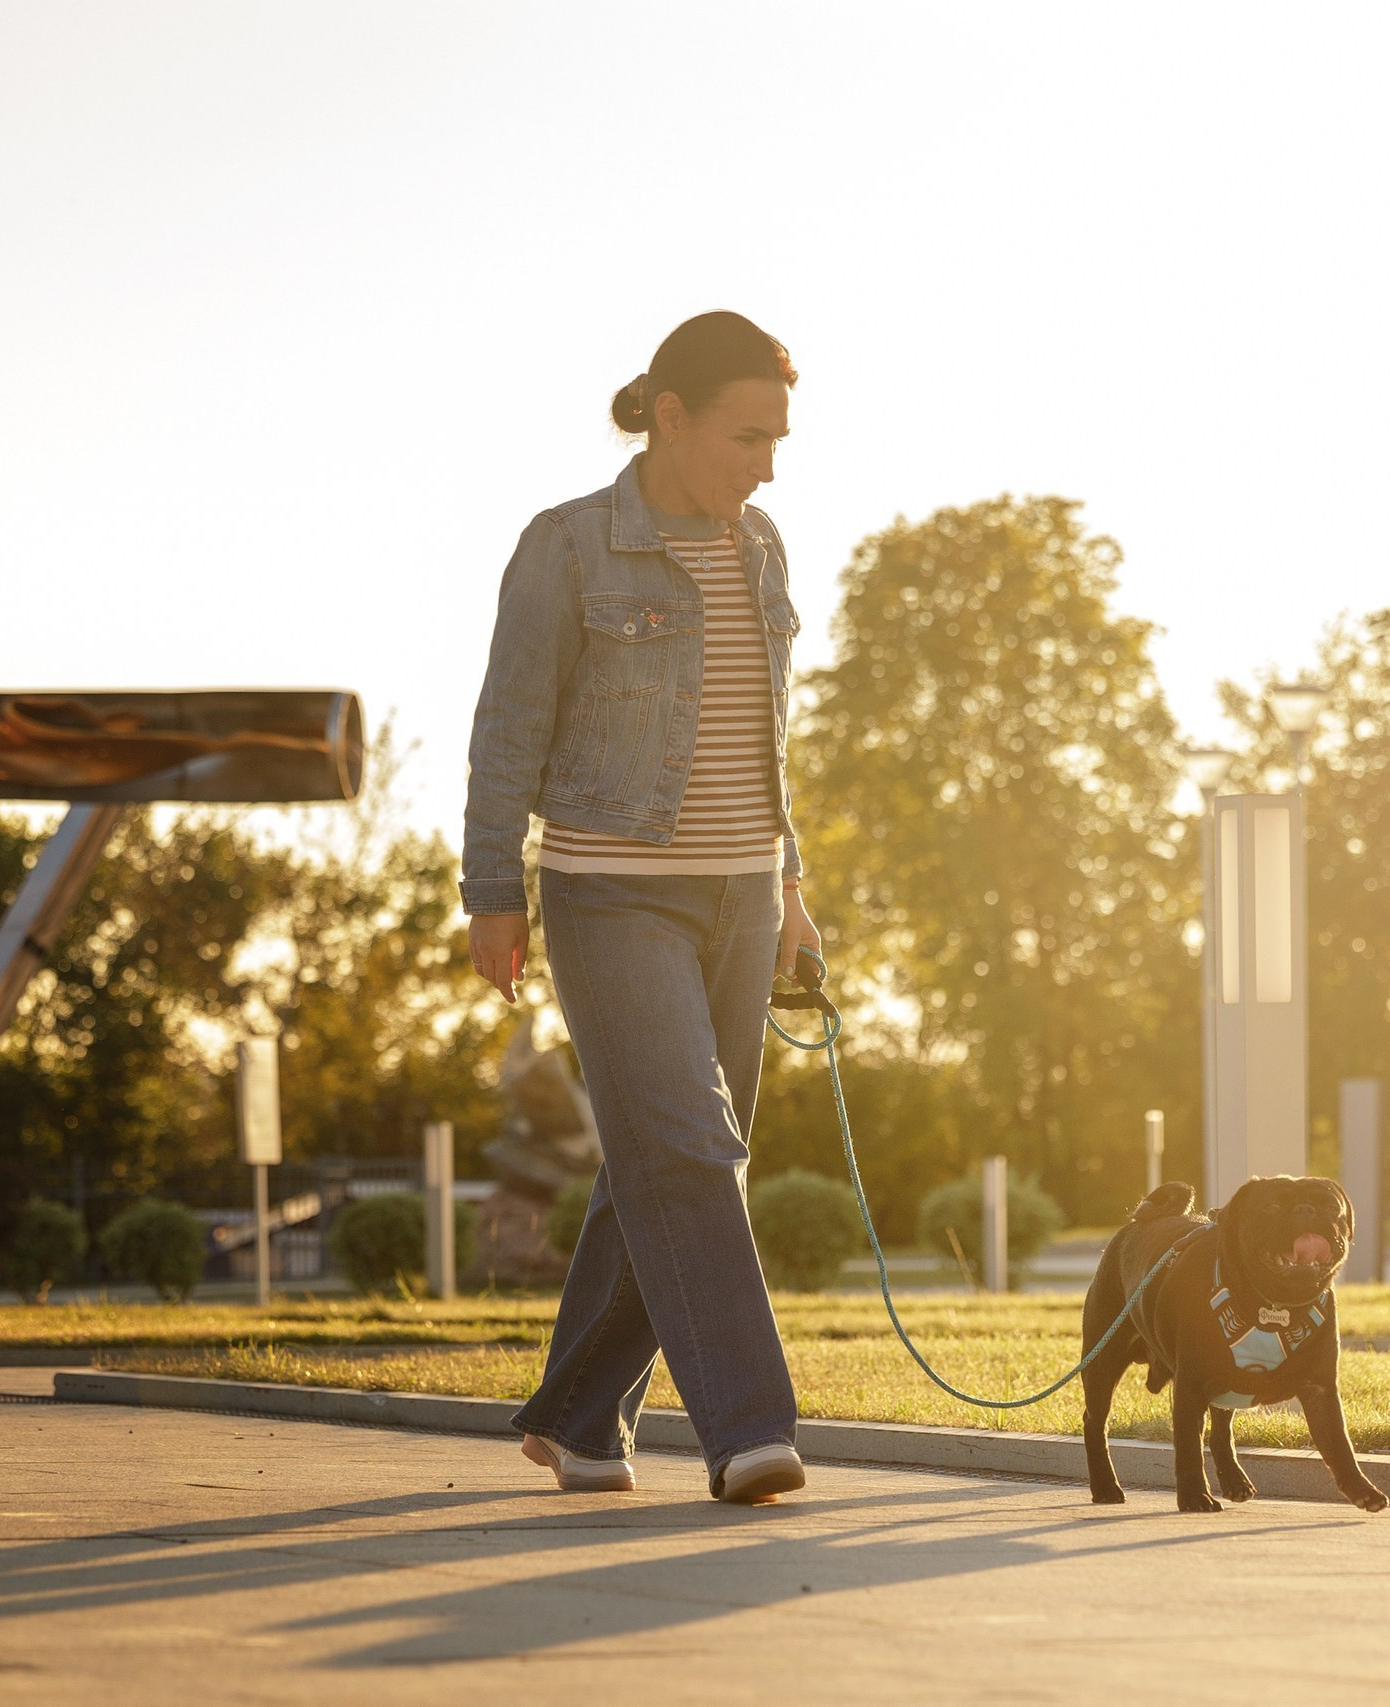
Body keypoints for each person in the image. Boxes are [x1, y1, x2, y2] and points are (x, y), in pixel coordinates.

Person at [460, 310, 822, 1504]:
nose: (765, 463)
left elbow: (770, 739)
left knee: (659, 1163)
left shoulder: (760, 545)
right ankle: (748, 1429)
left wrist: (791, 888)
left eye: (777, 439)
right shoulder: (566, 548)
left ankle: (576, 1418)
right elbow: (509, 731)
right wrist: (492, 894)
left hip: (743, 901)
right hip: (611, 896)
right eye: (745, 435)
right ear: (670, 417)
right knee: (686, 1149)